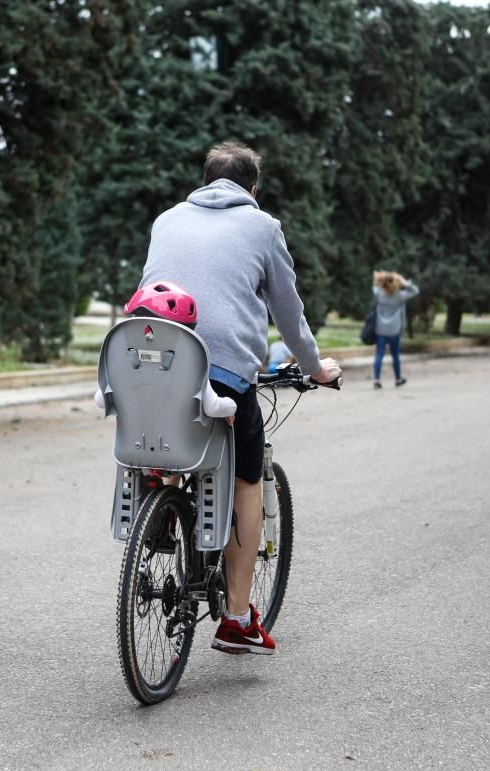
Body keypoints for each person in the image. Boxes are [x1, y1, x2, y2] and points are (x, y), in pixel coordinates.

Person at [139, 141, 342, 655]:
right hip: (224, 375)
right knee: (248, 479)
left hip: (150, 367)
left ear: (206, 180)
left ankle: (160, 507)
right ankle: (235, 616)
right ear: (253, 188)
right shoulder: (263, 226)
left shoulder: (166, 219)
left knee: (166, 436)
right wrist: (315, 368)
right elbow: (288, 312)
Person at [94, 282, 237, 420]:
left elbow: (100, 400)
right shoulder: (190, 364)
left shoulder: (124, 363)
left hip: (131, 443)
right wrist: (231, 406)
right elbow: (212, 407)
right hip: (182, 443)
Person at [371, 270, 420, 389]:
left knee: (379, 355)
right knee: (395, 355)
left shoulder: (379, 294)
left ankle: (377, 379)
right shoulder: (399, 296)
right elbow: (415, 291)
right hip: (395, 330)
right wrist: (405, 282)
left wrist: (380, 279)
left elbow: (374, 285)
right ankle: (398, 379)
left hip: (380, 329)